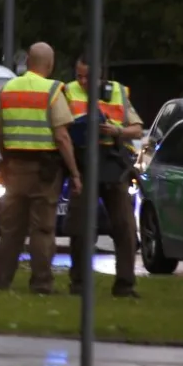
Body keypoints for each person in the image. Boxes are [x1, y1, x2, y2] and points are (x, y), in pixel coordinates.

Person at [0, 42, 80, 294]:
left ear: (28, 62)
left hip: (14, 169)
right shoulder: (52, 90)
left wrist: (7, 160)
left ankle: (1, 281)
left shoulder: (6, 90)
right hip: (44, 172)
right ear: (49, 65)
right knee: (42, 229)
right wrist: (74, 173)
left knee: (11, 229)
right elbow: (62, 136)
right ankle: (41, 283)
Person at [64, 53, 141, 298]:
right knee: (80, 228)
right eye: (79, 76)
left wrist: (116, 130)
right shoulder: (67, 92)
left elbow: (137, 130)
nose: (83, 82)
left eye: (89, 77)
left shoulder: (118, 92)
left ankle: (125, 285)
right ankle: (78, 284)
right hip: (82, 163)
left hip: (112, 163)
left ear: (100, 75)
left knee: (125, 228)